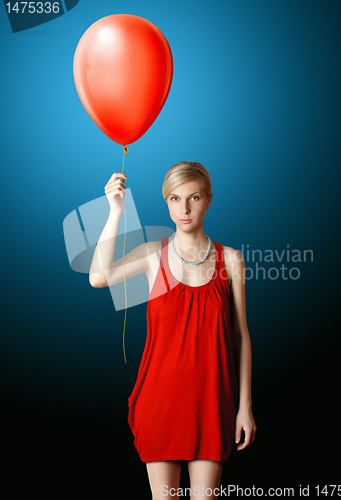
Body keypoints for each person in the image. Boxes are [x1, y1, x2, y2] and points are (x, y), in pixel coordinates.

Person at [89, 161, 257, 499]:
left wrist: (245, 407)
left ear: (209, 199)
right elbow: (98, 277)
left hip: (212, 401)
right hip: (161, 402)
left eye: (193, 198)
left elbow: (241, 337)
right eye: (175, 199)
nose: (184, 208)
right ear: (166, 202)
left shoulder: (232, 261)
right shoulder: (154, 255)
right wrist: (115, 211)